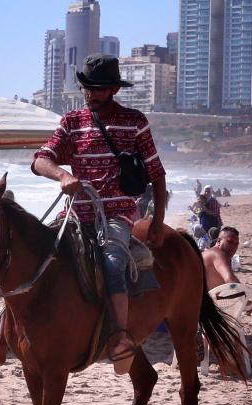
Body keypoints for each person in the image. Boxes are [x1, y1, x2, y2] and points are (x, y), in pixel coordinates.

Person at [32, 53, 168, 375]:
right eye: (87, 87)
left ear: (113, 89)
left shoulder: (135, 122)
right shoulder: (72, 122)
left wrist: (159, 222)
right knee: (37, 253)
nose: (91, 93)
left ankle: (120, 338)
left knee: (112, 262)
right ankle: (4, 330)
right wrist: (63, 176)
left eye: (98, 88)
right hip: (76, 213)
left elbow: (157, 174)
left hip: (117, 214)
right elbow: (41, 159)